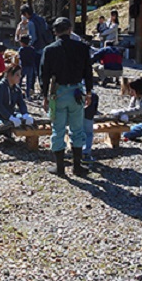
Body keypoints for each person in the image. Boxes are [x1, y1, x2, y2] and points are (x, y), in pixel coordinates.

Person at [40, 17, 94, 177]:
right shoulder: (82, 48)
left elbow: (43, 75)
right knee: (77, 129)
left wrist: (44, 96)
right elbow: (88, 72)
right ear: (70, 30)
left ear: (55, 32)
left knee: (58, 129)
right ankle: (77, 166)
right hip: (77, 92)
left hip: (58, 94)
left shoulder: (49, 50)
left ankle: (60, 167)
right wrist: (89, 92)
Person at [0, 64, 33, 145]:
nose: (20, 77)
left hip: (10, 114)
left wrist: (25, 114)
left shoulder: (16, 88)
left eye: (20, 74)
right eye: (17, 75)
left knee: (22, 119)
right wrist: (10, 117)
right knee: (0, 124)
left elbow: (21, 103)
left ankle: (7, 132)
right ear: (9, 75)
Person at [82, 92, 99, 162]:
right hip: (88, 114)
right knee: (88, 133)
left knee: (75, 132)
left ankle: (76, 153)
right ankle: (85, 154)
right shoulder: (93, 95)